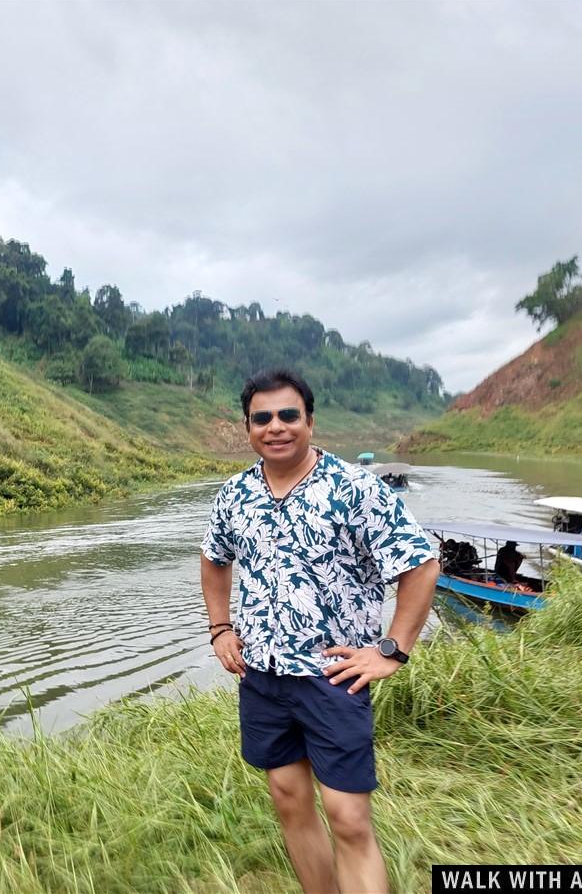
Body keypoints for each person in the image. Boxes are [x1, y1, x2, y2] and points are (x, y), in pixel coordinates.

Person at [200, 368, 439, 894]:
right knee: (288, 800)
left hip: (334, 676)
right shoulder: (234, 495)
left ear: (310, 421)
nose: (276, 427)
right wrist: (220, 628)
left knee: (349, 817)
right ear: (247, 428)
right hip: (261, 675)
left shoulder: (355, 488)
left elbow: (420, 566)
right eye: (262, 418)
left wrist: (391, 650)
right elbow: (214, 559)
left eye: (289, 415)